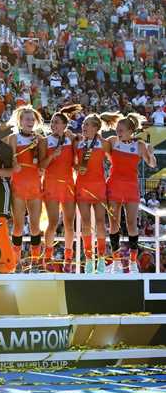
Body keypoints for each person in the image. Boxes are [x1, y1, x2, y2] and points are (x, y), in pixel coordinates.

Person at [107, 113, 156, 273]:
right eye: (117, 130)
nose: (118, 133)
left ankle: (133, 262)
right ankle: (115, 261)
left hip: (130, 187)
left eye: (121, 130)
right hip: (114, 185)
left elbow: (152, 164)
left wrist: (151, 152)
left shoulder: (140, 145)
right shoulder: (113, 141)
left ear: (130, 131)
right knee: (113, 223)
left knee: (131, 223)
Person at [39, 105, 81, 272]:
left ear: (65, 125)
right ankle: (47, 257)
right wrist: (52, 156)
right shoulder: (44, 141)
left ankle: (68, 258)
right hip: (50, 184)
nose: (53, 125)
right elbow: (41, 165)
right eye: (52, 123)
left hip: (68, 185)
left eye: (57, 123)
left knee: (69, 224)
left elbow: (77, 160)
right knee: (53, 222)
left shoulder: (71, 139)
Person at [7, 106, 45, 271]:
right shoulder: (13, 138)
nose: (29, 122)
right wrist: (14, 163)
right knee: (18, 225)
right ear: (20, 121)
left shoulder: (41, 139)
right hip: (19, 184)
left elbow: (42, 163)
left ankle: (35, 262)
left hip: (35, 185)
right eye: (26, 119)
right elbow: (11, 160)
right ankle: (16, 262)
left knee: (35, 226)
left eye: (32, 119)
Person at [75, 113, 113, 273]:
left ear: (96, 128)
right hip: (82, 186)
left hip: (98, 186)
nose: (84, 127)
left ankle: (102, 258)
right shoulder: (77, 143)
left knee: (99, 222)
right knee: (85, 223)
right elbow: (72, 164)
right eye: (83, 124)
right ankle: (89, 259)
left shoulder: (103, 144)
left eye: (88, 124)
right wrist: (77, 168)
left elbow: (115, 162)